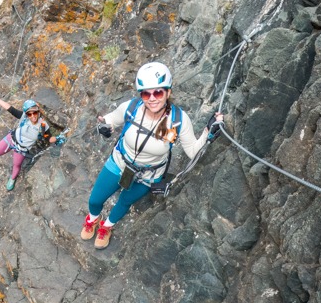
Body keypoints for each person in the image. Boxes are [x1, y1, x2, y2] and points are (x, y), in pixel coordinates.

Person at [81, 62, 223, 249]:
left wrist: (208, 133)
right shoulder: (131, 107)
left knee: (124, 202)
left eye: (158, 92)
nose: (152, 98)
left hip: (148, 175)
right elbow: (110, 119)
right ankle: (92, 219)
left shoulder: (178, 120)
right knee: (95, 200)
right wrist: (104, 126)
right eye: (146, 93)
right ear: (141, 94)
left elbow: (192, 152)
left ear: (168, 92)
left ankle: (107, 226)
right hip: (119, 163)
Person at [0, 94, 57, 191]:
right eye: (30, 113)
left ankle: (12, 179)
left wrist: (57, 139)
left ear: (38, 112)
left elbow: (48, 138)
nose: (33, 116)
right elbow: (10, 109)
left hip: (21, 150)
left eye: (35, 113)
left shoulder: (43, 125)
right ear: (27, 114)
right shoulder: (24, 117)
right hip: (10, 140)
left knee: (16, 165)